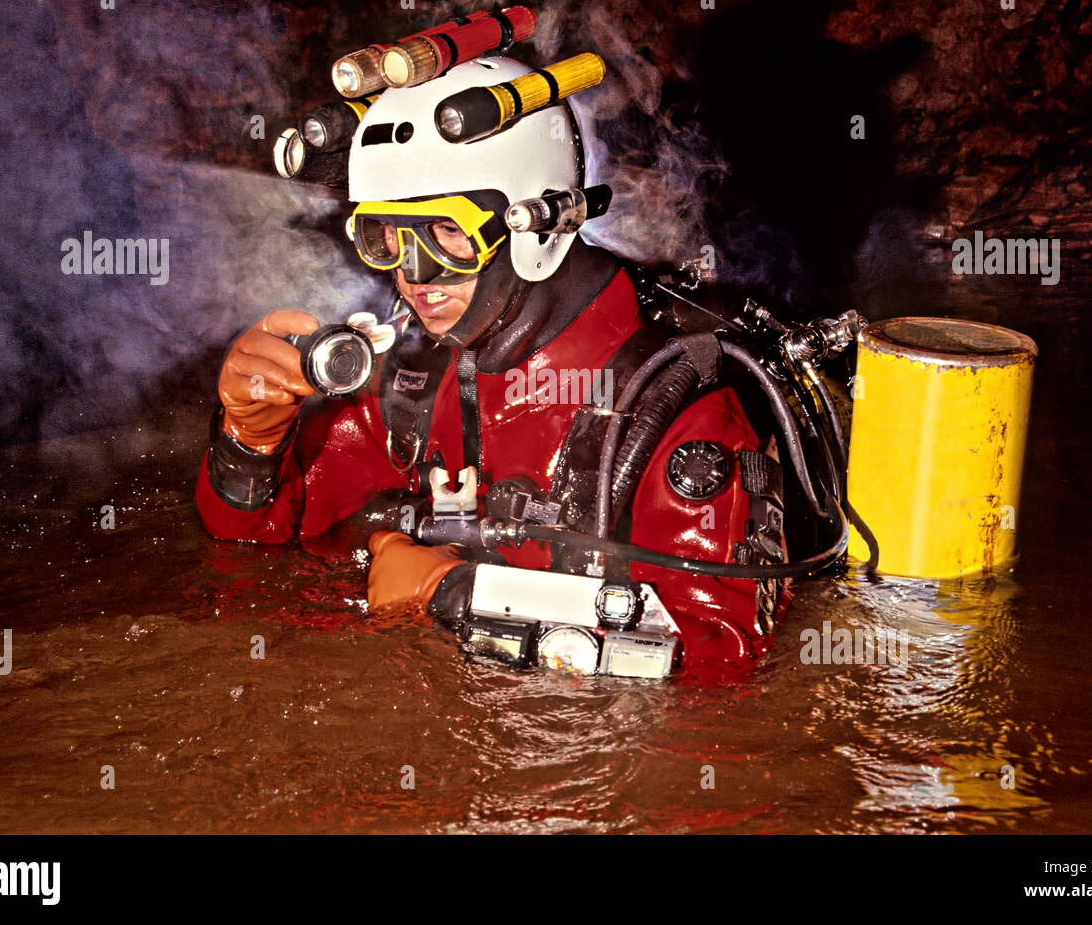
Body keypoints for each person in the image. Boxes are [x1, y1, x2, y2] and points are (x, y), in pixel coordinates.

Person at [196, 56, 790, 672]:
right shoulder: (414, 383)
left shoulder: (678, 408)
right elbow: (259, 543)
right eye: (387, 236)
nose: (413, 273)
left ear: (535, 226)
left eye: (447, 233)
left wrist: (454, 597)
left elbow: (724, 671)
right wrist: (251, 441)